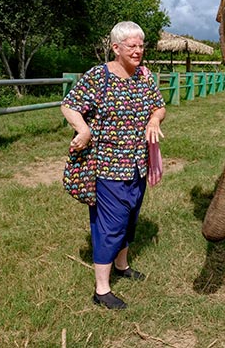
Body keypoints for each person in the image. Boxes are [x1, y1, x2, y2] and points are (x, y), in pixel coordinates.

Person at [61, 21, 166, 310]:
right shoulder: (98, 76)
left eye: (141, 45)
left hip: (137, 165)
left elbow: (159, 105)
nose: (138, 50)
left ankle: (122, 265)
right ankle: (102, 289)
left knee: (131, 218)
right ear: (116, 48)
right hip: (108, 166)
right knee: (111, 225)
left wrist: (155, 119)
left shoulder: (144, 77)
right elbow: (69, 105)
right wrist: (83, 130)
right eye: (131, 46)